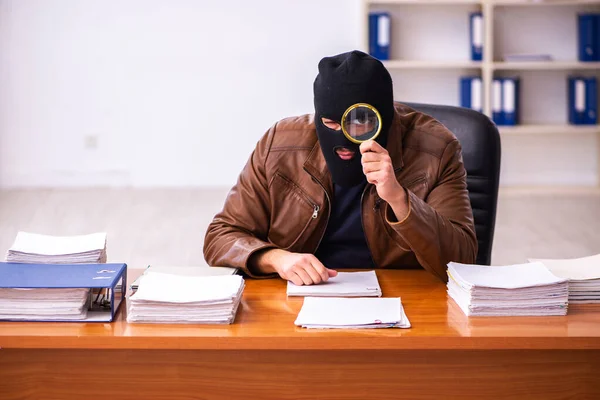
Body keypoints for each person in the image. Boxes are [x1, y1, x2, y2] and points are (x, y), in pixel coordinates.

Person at [204, 50, 477, 285]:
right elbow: (220, 235)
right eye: (330, 124)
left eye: (360, 122)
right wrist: (276, 259)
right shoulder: (280, 144)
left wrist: (400, 198)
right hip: (304, 293)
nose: (344, 137)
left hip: (403, 295)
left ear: (386, 117)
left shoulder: (437, 148)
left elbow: (463, 259)